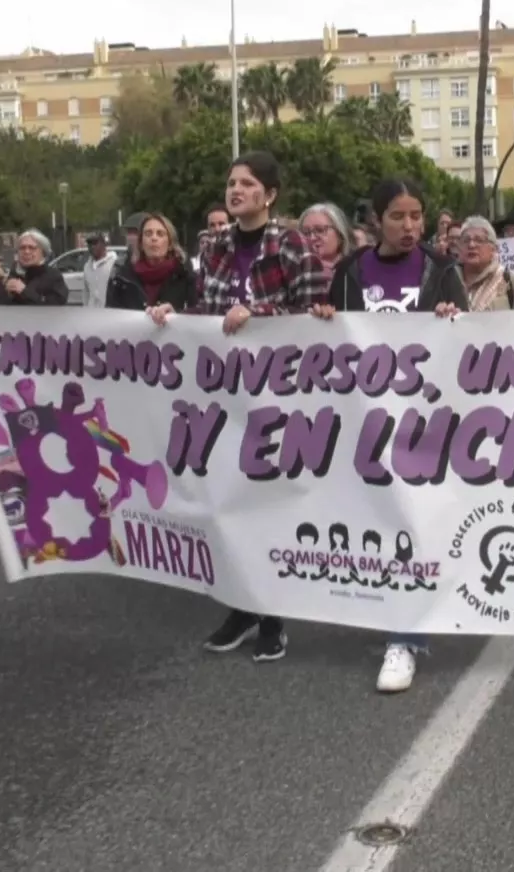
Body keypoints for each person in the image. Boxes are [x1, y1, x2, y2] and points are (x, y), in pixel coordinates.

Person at [147, 150, 329, 662]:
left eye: (248, 184)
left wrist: (261, 312)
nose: (236, 191)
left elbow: (310, 312)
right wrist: (170, 316)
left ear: (269, 195)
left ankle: (272, 616)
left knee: (267, 500)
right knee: (225, 499)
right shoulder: (214, 244)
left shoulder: (290, 244)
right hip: (224, 392)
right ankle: (240, 605)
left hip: (276, 393)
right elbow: (205, 308)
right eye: (231, 183)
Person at [314, 178, 465, 692]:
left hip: (423, 418)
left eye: (417, 216)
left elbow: (470, 345)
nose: (410, 226)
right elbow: (334, 338)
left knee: (414, 516)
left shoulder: (442, 270)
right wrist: (325, 320)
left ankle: (406, 638)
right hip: (367, 418)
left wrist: (453, 319)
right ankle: (390, 611)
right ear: (377, 220)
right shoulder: (351, 271)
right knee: (377, 514)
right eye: (398, 216)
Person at [107, 213, 196, 311]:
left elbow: (196, 315)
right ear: (141, 243)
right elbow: (111, 318)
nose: (154, 238)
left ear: (170, 244)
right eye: (148, 234)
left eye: (160, 234)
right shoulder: (122, 278)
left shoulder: (185, 275)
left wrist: (174, 315)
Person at [452, 217, 514, 310]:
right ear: (459, 247)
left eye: (479, 240)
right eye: (466, 240)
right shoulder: (445, 280)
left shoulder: (512, 282)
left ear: (493, 249)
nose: (471, 245)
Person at [6, 230, 70, 305]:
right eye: (22, 248)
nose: (26, 252)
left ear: (43, 252)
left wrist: (25, 292)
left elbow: (56, 305)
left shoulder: (53, 276)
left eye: (32, 248)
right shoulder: (13, 274)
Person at [299, 202, 353, 279]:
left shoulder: (355, 272)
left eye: (320, 230)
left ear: (340, 234)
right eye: (305, 232)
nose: (312, 238)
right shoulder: (292, 273)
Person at [81, 235, 117, 308]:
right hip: (91, 314)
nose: (91, 247)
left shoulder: (113, 263)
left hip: (109, 313)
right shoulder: (87, 267)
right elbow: (86, 292)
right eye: (89, 244)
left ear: (103, 245)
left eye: (95, 243)